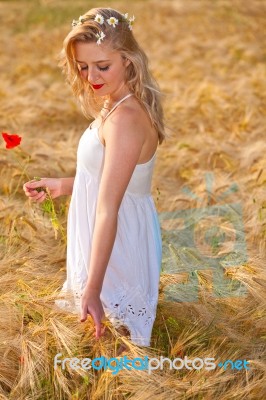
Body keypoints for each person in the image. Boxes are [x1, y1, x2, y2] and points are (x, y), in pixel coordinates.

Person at [23, 7, 166, 350]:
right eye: (83, 66)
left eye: (103, 66)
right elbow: (114, 178)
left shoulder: (125, 118)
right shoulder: (114, 104)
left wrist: (93, 287)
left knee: (116, 348)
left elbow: (109, 208)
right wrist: (64, 185)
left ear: (129, 60)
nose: (91, 77)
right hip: (106, 236)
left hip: (116, 245)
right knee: (100, 349)